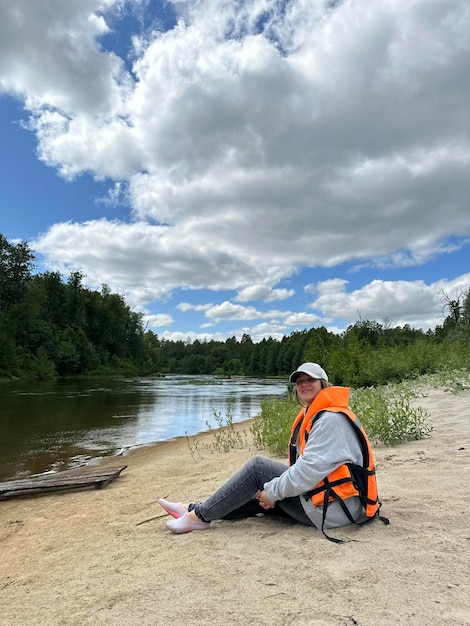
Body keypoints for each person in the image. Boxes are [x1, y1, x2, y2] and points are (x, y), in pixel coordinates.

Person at [159, 362, 386, 542]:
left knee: (258, 468)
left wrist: (273, 492)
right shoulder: (318, 415)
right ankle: (193, 510)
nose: (304, 384)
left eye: (310, 380)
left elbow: (307, 472)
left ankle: (198, 517)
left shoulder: (331, 420)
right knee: (261, 487)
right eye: (299, 382)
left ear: (324, 384)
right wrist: (272, 492)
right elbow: (305, 468)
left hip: (334, 512)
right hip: (332, 504)